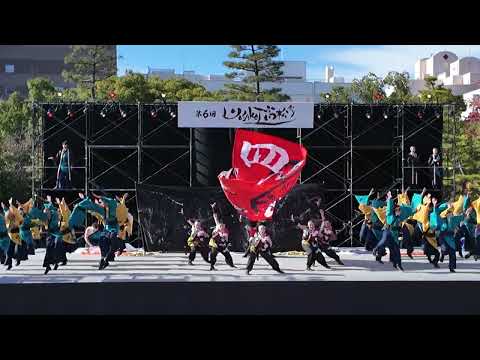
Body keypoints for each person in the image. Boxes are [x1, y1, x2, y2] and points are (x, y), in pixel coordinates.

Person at [208, 203, 235, 270]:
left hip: (221, 245)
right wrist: (213, 208)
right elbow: (215, 216)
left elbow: (226, 239)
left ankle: (231, 264)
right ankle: (212, 266)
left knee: (227, 254)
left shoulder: (226, 231)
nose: (222, 227)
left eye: (223, 226)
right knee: (213, 254)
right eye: (221, 226)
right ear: (218, 225)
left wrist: (226, 246)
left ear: (225, 226)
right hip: (214, 244)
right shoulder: (217, 228)